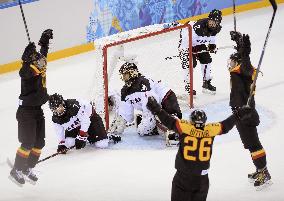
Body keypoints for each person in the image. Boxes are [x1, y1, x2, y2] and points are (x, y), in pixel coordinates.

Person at [146, 96, 253, 201]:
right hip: (202, 180)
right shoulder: (211, 130)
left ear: (191, 120)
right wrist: (238, 114)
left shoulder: (185, 127)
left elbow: (168, 120)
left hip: (183, 177)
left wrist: (157, 109)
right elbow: (226, 125)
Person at [9, 29, 53, 186]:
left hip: (37, 110)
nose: (41, 62)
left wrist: (44, 43)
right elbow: (23, 72)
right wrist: (26, 59)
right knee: (27, 143)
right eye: (37, 60)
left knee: (39, 143)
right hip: (26, 112)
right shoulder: (28, 71)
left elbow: (43, 57)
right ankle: (16, 169)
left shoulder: (40, 65)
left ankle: (28, 167)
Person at [228, 31, 272, 188]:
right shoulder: (239, 70)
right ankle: (259, 169)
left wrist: (245, 52)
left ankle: (264, 172)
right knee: (249, 144)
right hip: (240, 112)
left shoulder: (244, 69)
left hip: (246, 112)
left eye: (232, 61)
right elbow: (242, 60)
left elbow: (245, 63)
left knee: (254, 144)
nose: (230, 63)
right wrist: (240, 42)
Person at [109, 62, 182, 139]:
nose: (124, 78)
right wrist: (119, 125)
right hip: (153, 107)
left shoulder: (143, 83)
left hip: (167, 99)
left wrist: (150, 119)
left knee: (170, 122)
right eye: (122, 75)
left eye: (125, 75)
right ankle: (158, 125)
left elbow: (152, 105)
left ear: (132, 73)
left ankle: (174, 128)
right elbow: (126, 114)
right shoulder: (125, 91)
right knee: (142, 131)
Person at [48, 93, 121, 153]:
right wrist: (61, 144)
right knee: (69, 143)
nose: (59, 110)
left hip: (91, 119)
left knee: (102, 144)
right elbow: (59, 131)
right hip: (75, 126)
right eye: (55, 109)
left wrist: (81, 136)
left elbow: (86, 121)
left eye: (60, 106)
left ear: (63, 103)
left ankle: (108, 135)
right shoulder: (55, 119)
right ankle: (87, 136)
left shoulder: (74, 106)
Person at [178, 9, 222, 95]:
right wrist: (185, 51)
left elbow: (212, 37)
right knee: (190, 64)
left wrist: (212, 45)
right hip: (187, 42)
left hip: (198, 43)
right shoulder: (198, 27)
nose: (212, 23)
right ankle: (188, 87)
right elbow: (186, 39)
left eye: (215, 22)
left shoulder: (217, 28)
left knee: (207, 60)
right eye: (211, 21)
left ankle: (206, 83)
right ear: (208, 19)